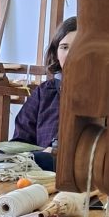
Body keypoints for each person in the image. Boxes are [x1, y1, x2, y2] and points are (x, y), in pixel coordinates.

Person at [13, 16, 77, 164]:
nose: (70, 54)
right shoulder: (43, 93)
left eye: (78, 46)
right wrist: (44, 154)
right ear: (56, 53)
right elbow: (19, 143)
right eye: (64, 47)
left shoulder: (106, 94)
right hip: (41, 172)